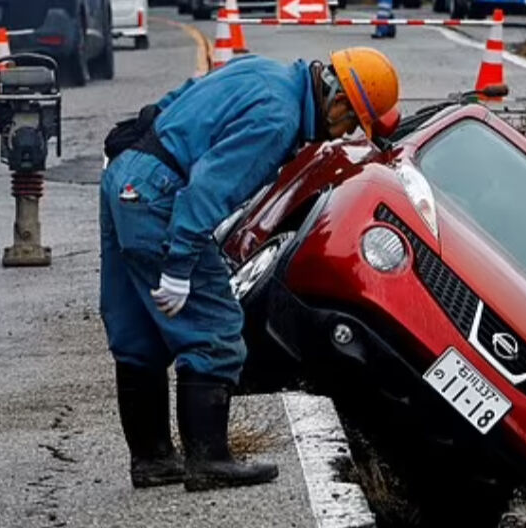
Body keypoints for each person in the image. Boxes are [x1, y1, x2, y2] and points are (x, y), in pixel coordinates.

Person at [99, 48, 400, 492]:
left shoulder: (264, 69)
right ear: (337, 101)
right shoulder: (277, 122)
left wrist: (146, 128)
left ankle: (153, 458)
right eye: (351, 121)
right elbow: (207, 188)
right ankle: (209, 461)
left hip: (128, 173)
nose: (345, 132)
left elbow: (188, 94)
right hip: (157, 196)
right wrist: (181, 264)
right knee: (216, 327)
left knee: (136, 328)